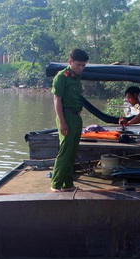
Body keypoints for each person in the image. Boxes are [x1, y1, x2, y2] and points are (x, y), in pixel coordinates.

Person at [50, 48, 89, 192]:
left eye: (83, 65)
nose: (81, 68)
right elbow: (57, 100)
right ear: (70, 62)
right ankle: (56, 183)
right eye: (78, 65)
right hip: (66, 116)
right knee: (65, 151)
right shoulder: (62, 76)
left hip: (76, 117)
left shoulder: (76, 78)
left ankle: (67, 184)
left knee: (72, 151)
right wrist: (62, 122)